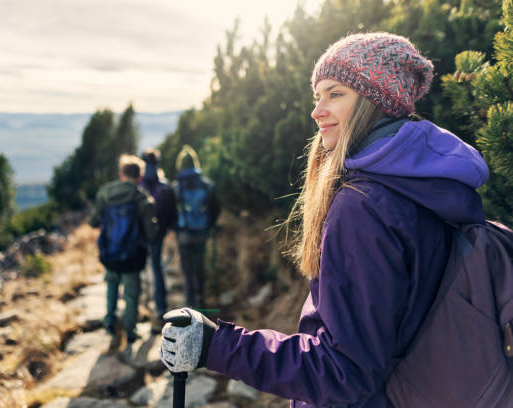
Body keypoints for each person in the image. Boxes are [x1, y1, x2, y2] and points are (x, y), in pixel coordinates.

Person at [159, 32, 489, 407]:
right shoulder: (430, 183)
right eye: (317, 97)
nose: (317, 111)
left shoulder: (363, 206)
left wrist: (216, 346)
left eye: (335, 94)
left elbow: (344, 371)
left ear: (374, 101)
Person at [89, 154, 157, 344]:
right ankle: (130, 332)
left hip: (109, 251)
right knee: (131, 293)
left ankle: (109, 322)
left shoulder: (105, 193)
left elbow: (93, 221)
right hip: (133, 255)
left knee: (111, 285)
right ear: (140, 176)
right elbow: (151, 234)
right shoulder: (141, 197)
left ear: (121, 174)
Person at [172, 145, 220, 308]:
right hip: (201, 232)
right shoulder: (206, 185)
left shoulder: (176, 187)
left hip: (184, 233)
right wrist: (209, 226)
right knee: (199, 268)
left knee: (187, 270)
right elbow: (215, 209)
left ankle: (189, 304)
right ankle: (201, 301)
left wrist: (176, 228)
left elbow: (171, 211)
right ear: (195, 163)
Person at [140, 148, 177, 328]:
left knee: (142, 269)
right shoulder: (164, 185)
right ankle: (160, 308)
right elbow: (171, 213)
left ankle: (143, 305)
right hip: (159, 232)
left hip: (141, 234)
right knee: (157, 268)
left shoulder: (140, 186)